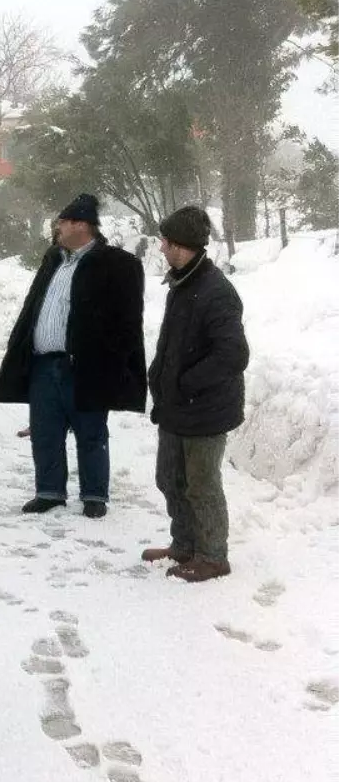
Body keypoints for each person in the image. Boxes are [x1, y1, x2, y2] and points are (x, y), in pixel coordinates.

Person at [0, 193, 146, 518]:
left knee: (90, 432)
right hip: (43, 364)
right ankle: (49, 492)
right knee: (45, 431)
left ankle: (94, 495)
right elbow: (33, 307)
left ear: (81, 225)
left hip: (85, 367)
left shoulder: (117, 264)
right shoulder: (53, 260)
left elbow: (128, 322)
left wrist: (110, 362)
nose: (57, 227)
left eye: (62, 221)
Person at [146, 207, 249, 582]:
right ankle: (184, 544)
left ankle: (213, 556)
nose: (161, 247)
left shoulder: (215, 291)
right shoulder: (182, 282)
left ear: (181, 245)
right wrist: (160, 380)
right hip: (175, 407)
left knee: (201, 484)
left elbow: (234, 354)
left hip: (204, 409)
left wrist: (187, 383)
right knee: (169, 479)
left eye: (166, 242)